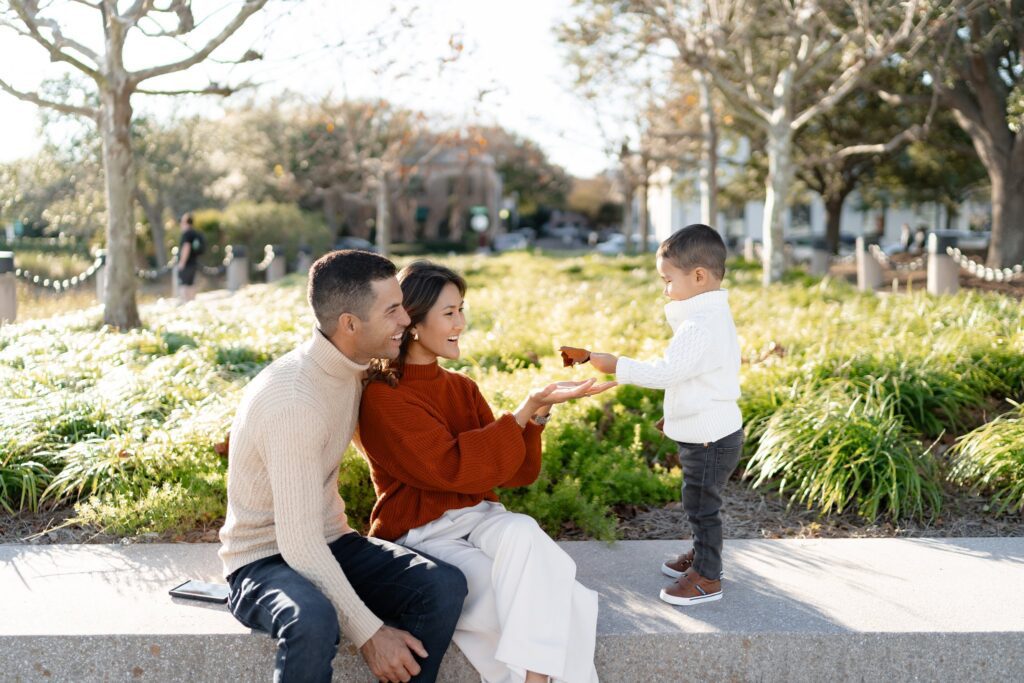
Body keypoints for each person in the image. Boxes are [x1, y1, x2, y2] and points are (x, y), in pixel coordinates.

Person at [357, 260, 613, 683]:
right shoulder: (384, 399)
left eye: (462, 309)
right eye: (450, 312)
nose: (462, 322)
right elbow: (452, 468)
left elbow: (514, 472)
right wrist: (523, 410)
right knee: (551, 597)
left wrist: (537, 415)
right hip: (422, 534)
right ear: (414, 323)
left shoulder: (462, 388)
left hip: (480, 518)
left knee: (523, 531)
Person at [218, 250, 467, 683]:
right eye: (392, 311)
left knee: (442, 586)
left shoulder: (353, 368)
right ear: (349, 324)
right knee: (312, 619)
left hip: (331, 541)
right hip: (262, 559)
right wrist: (370, 634)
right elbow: (297, 543)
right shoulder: (294, 399)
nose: (406, 321)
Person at [589, 224, 743, 606]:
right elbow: (696, 381)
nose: (665, 289)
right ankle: (702, 556)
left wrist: (615, 365)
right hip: (715, 432)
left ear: (698, 276)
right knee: (700, 503)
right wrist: (674, 416)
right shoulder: (710, 316)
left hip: (710, 439)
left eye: (667, 279)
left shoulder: (699, 325)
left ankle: (707, 576)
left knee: (702, 507)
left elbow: (667, 373)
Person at [176, 213, 202, 303]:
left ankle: (185, 303)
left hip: (187, 264)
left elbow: (186, 248)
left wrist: (182, 262)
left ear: (186, 222)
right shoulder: (195, 233)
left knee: (184, 285)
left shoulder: (187, 234)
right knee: (191, 284)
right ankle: (192, 303)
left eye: (182, 221)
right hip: (194, 262)